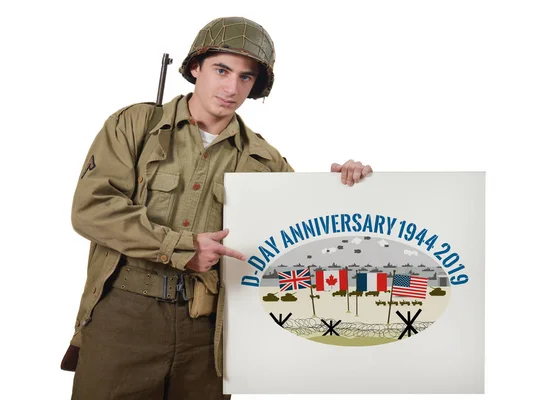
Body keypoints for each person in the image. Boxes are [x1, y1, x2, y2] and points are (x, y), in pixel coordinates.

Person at [62, 16, 373, 399]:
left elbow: (307, 234)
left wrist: (348, 188)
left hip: (209, 332)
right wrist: (182, 247)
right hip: (124, 316)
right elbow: (92, 208)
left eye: (245, 77)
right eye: (221, 70)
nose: (232, 87)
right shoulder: (136, 126)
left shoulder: (264, 161)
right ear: (196, 68)